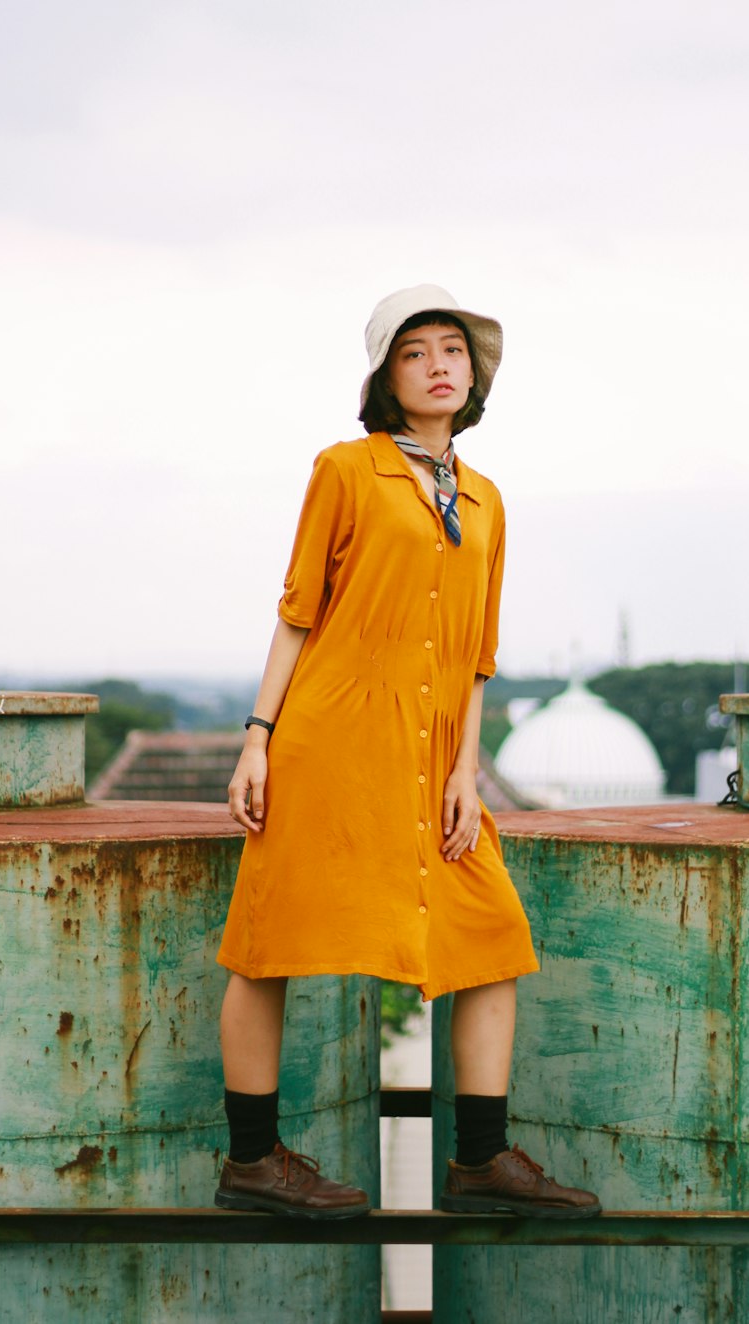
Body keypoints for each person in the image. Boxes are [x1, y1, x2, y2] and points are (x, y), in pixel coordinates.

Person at [214, 284, 601, 1221]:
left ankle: (478, 1161)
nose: (438, 364)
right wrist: (257, 740)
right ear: (387, 379)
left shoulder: (486, 500)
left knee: (491, 936)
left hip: (434, 761)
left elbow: (476, 655)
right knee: (270, 945)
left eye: (454, 352)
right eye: (415, 351)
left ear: (474, 379)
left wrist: (467, 768)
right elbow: (299, 613)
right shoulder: (346, 471)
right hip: (329, 743)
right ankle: (254, 1161)